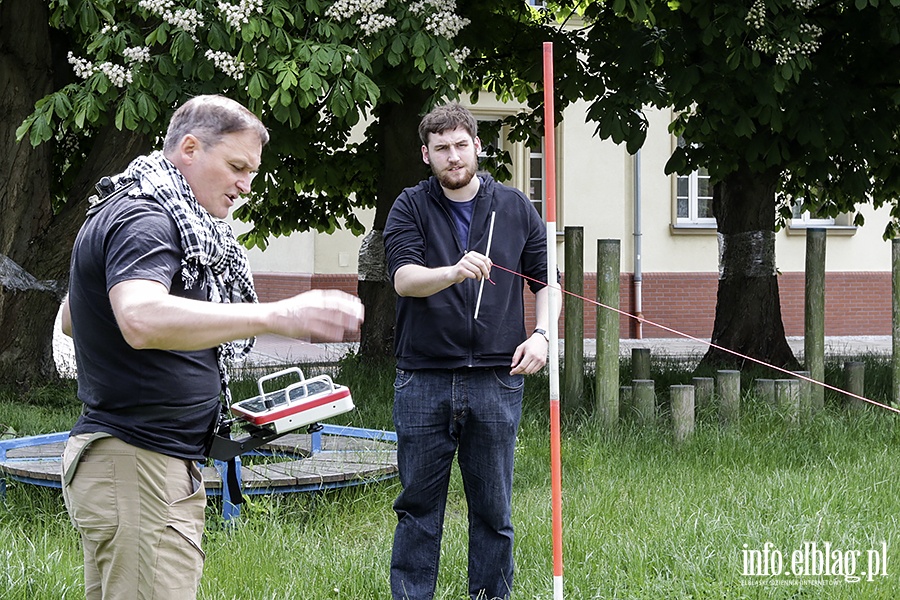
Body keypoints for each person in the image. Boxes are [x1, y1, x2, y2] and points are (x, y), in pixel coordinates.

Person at [59, 94, 363, 600]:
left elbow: (74, 317)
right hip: (138, 465)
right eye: (237, 166)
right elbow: (138, 317)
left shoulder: (150, 212)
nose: (246, 185)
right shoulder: (147, 219)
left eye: (252, 171)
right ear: (191, 149)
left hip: (137, 465)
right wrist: (275, 316)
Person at [383, 102, 559, 600]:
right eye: (442, 149)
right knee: (418, 509)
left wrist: (543, 336)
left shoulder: (515, 206)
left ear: (478, 147)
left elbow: (548, 282)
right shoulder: (410, 206)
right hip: (423, 378)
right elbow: (403, 279)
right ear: (426, 155)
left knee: (494, 510)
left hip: (497, 378)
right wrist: (454, 271)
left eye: (462, 145)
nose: (454, 157)